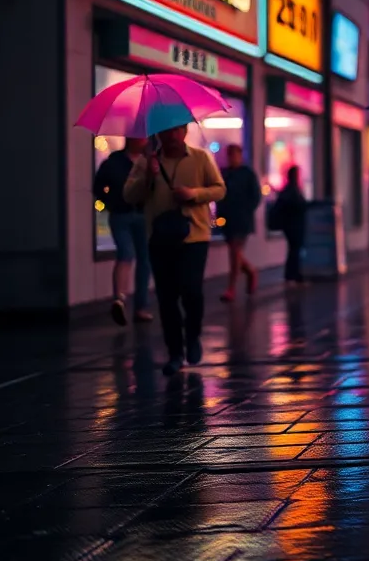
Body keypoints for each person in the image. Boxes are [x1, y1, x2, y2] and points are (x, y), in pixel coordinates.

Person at [123, 124, 226, 376]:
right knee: (167, 297)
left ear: (185, 131)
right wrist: (148, 177)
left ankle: (192, 337)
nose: (170, 135)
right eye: (165, 131)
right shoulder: (147, 162)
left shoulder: (201, 158)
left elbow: (219, 189)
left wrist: (194, 194)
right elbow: (129, 196)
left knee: (192, 292)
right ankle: (174, 353)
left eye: (176, 130)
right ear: (157, 134)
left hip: (194, 236)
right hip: (159, 239)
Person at [96, 137, 153, 325]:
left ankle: (141, 307)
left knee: (145, 260)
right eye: (140, 136)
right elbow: (98, 186)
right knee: (126, 253)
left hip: (143, 215)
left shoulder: (149, 162)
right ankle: (119, 299)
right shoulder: (114, 162)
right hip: (121, 214)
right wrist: (110, 202)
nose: (143, 140)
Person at [217, 145, 262, 301]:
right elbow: (220, 194)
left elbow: (256, 195)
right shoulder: (224, 173)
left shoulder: (247, 174)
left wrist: (246, 209)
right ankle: (250, 270)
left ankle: (231, 288)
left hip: (242, 219)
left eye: (234, 155)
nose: (231, 158)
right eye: (229, 155)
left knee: (234, 252)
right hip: (228, 220)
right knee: (235, 252)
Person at [269, 166, 308, 285]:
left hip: (291, 225)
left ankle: (292, 275)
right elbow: (297, 205)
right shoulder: (292, 190)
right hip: (293, 225)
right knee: (294, 249)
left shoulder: (289, 189)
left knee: (293, 249)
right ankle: (293, 275)